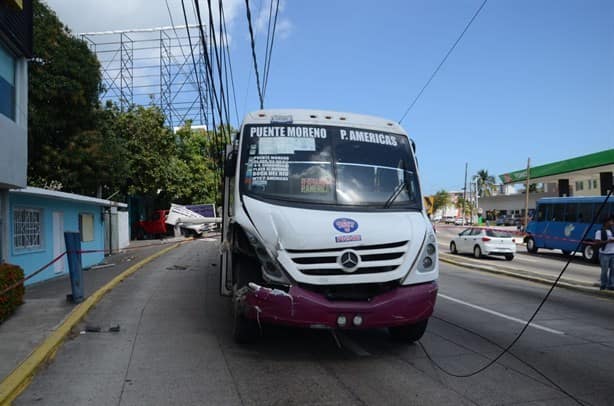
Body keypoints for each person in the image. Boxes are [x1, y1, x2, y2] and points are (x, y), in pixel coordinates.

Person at [595, 216, 614, 290]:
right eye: (611, 221)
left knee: (613, 270)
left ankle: (611, 285)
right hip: (604, 254)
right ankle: (603, 284)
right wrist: (607, 241)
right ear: (606, 223)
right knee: (604, 270)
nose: (612, 223)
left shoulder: (612, 231)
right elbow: (597, 242)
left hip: (613, 253)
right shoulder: (599, 232)